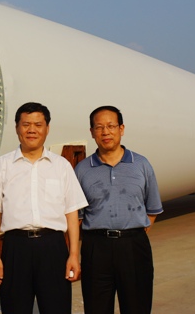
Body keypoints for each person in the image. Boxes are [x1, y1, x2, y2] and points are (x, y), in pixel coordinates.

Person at [0, 102, 89, 313]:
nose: (32, 130)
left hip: (53, 247)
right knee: (15, 308)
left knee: (57, 307)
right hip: (15, 248)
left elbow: (72, 212)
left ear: (47, 128)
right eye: (26, 124)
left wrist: (74, 254)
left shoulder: (61, 166)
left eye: (38, 125)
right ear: (17, 128)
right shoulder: (2, 165)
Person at [74, 105, 163, 314]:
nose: (105, 132)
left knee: (137, 307)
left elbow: (152, 210)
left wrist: (131, 233)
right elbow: (77, 216)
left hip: (133, 247)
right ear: (92, 132)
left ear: (121, 129)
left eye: (111, 126)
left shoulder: (141, 164)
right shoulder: (82, 169)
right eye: (99, 127)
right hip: (96, 248)